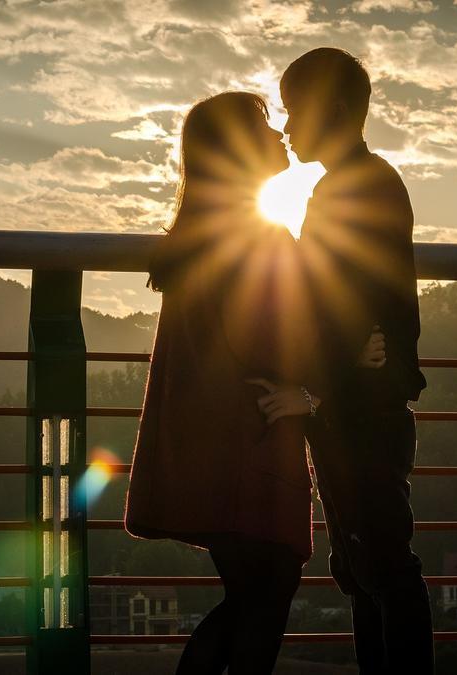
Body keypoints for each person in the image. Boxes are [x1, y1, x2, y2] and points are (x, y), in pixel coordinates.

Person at [123, 90, 384, 675]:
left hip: (214, 439)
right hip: (249, 438)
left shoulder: (205, 231)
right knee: (264, 596)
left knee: (252, 596)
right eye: (264, 126)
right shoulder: (253, 234)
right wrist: (337, 369)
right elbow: (272, 336)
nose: (278, 135)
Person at [254, 47, 435, 673]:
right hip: (356, 404)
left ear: (331, 108)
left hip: (362, 410)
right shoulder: (355, 182)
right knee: (365, 569)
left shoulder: (356, 187)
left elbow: (346, 298)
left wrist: (319, 389)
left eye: (293, 109)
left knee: (381, 565)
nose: (286, 126)